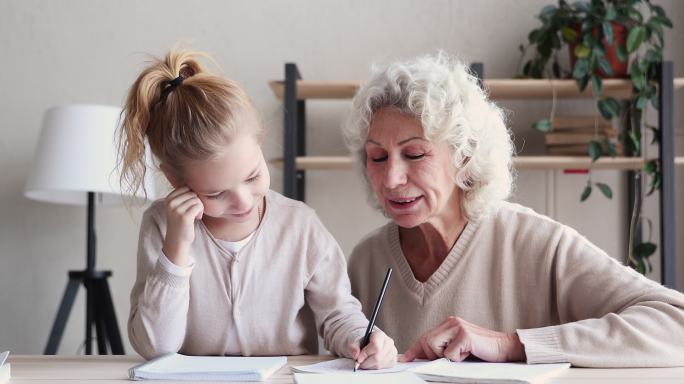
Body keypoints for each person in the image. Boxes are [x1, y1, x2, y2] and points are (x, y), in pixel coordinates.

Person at [344, 52, 684, 367]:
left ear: (464, 156)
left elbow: (675, 323)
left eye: (414, 154)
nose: (391, 179)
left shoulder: (537, 243)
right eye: (377, 157)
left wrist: (511, 345)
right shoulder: (365, 260)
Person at [118, 48, 397, 368]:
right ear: (176, 181)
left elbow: (337, 315)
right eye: (217, 193)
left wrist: (364, 338)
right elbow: (155, 347)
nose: (243, 201)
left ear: (260, 145)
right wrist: (177, 249)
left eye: (252, 176)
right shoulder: (163, 226)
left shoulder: (300, 225)